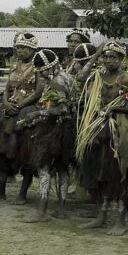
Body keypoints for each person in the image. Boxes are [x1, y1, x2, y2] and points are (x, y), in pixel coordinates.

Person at [75, 41, 128, 236]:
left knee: (120, 171)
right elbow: (81, 77)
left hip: (120, 128)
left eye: (112, 57)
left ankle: (122, 220)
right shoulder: (98, 76)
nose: (108, 60)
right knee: (99, 172)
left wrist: (114, 109)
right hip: (98, 127)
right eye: (105, 57)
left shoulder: (127, 79)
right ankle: (101, 216)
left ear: (121, 59)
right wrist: (96, 53)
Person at [19, 49, 76, 222]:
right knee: (62, 168)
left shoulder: (57, 82)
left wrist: (37, 114)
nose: (41, 74)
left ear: (48, 67)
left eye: (41, 70)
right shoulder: (67, 77)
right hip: (68, 127)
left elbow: (62, 108)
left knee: (44, 167)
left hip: (57, 129)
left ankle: (42, 211)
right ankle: (61, 209)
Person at [0, 32, 41, 202]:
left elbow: (39, 91)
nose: (20, 50)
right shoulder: (14, 66)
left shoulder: (38, 67)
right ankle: (0, 192)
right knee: (2, 147)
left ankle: (22, 194)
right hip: (10, 109)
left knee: (26, 151)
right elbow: (8, 88)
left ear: (32, 49)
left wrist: (21, 106)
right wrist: (6, 103)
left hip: (28, 110)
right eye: (18, 47)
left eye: (23, 48)